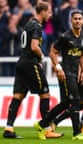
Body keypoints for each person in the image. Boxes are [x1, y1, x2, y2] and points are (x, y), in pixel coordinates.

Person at [2, 1, 62, 139]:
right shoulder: (36, 26)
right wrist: (41, 57)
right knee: (45, 94)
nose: (50, 15)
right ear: (42, 12)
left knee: (18, 96)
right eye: (49, 12)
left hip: (21, 62)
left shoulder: (28, 24)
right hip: (30, 62)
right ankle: (47, 128)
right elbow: (34, 46)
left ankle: (9, 128)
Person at [33, 10, 83, 140]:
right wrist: (58, 68)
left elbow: (82, 53)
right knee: (76, 100)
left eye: (79, 19)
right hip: (65, 73)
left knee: (66, 103)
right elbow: (53, 52)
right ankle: (77, 134)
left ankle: (42, 124)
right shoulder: (65, 36)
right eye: (75, 19)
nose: (77, 21)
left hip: (75, 73)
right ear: (71, 21)